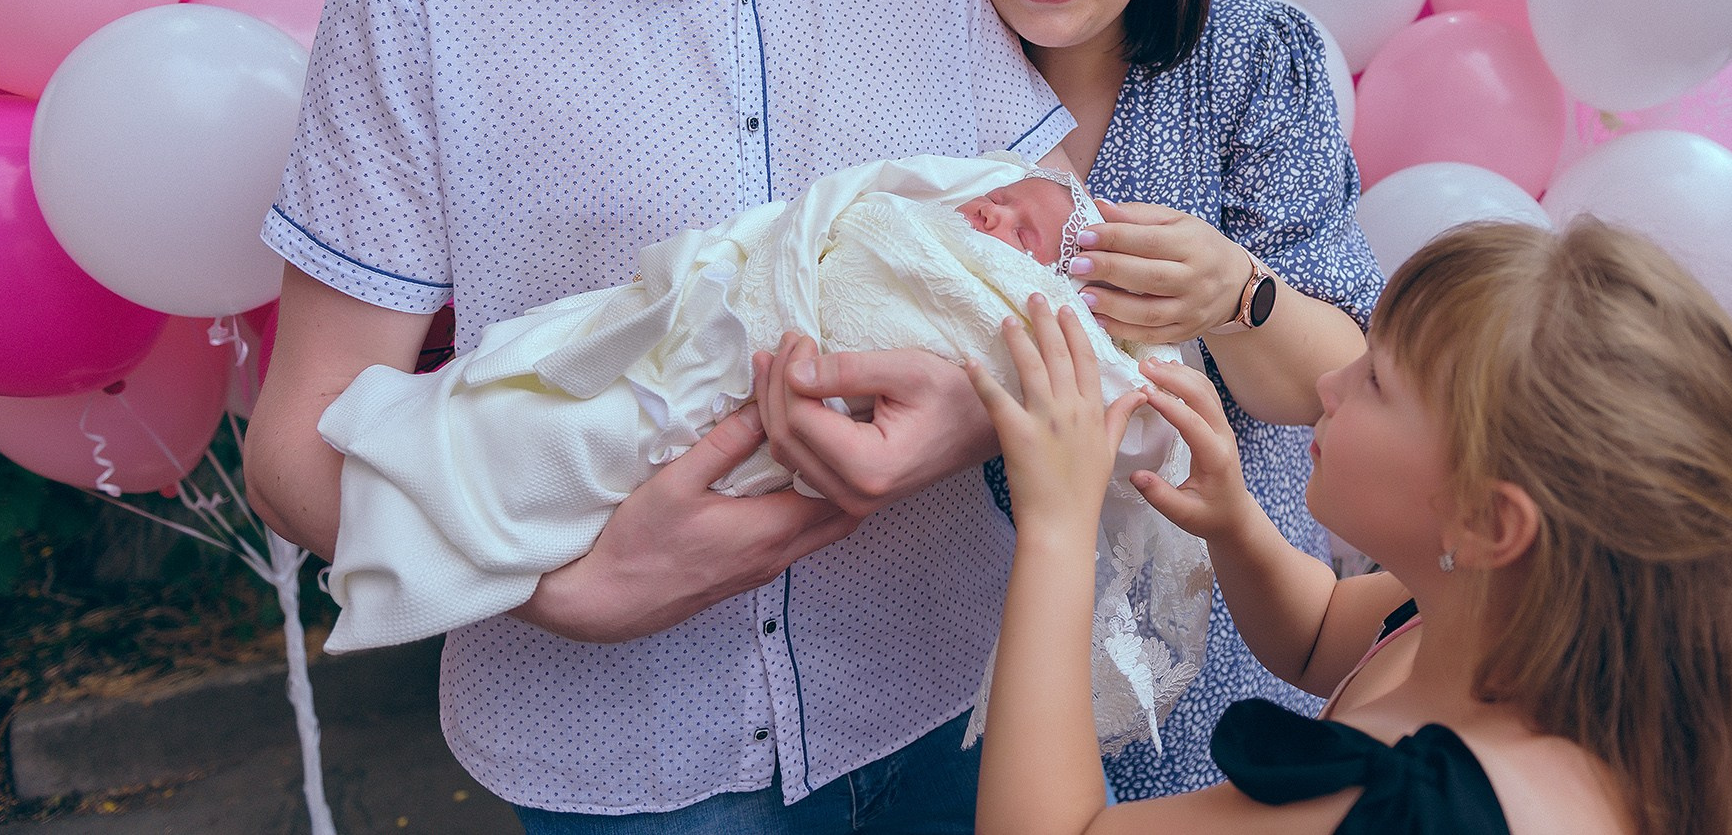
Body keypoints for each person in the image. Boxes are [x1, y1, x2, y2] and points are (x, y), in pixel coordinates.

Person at [242, 0, 1081, 829]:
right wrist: (562, 578)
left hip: (947, 713)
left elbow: (1061, 265)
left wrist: (982, 407)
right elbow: (296, 445)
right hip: (621, 762)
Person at [317, 153, 1209, 764]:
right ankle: (430, 489)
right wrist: (577, 597)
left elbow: (1092, 361)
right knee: (538, 428)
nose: (992, 213)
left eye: (1018, 232)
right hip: (622, 745)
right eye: (1000, 200)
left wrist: (984, 408)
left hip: (920, 714)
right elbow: (290, 448)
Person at [969, 219, 1732, 835]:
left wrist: (1057, 525)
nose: (1332, 378)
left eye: (1378, 380)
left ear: (1485, 518)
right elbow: (1321, 632)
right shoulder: (1490, 617)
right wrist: (1233, 522)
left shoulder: (1402, 809)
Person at [950, 0, 1382, 796]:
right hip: (954, 635)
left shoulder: (1245, 57)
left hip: (1223, 635)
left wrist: (1238, 294)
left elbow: (1328, 384)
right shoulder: (928, 65)